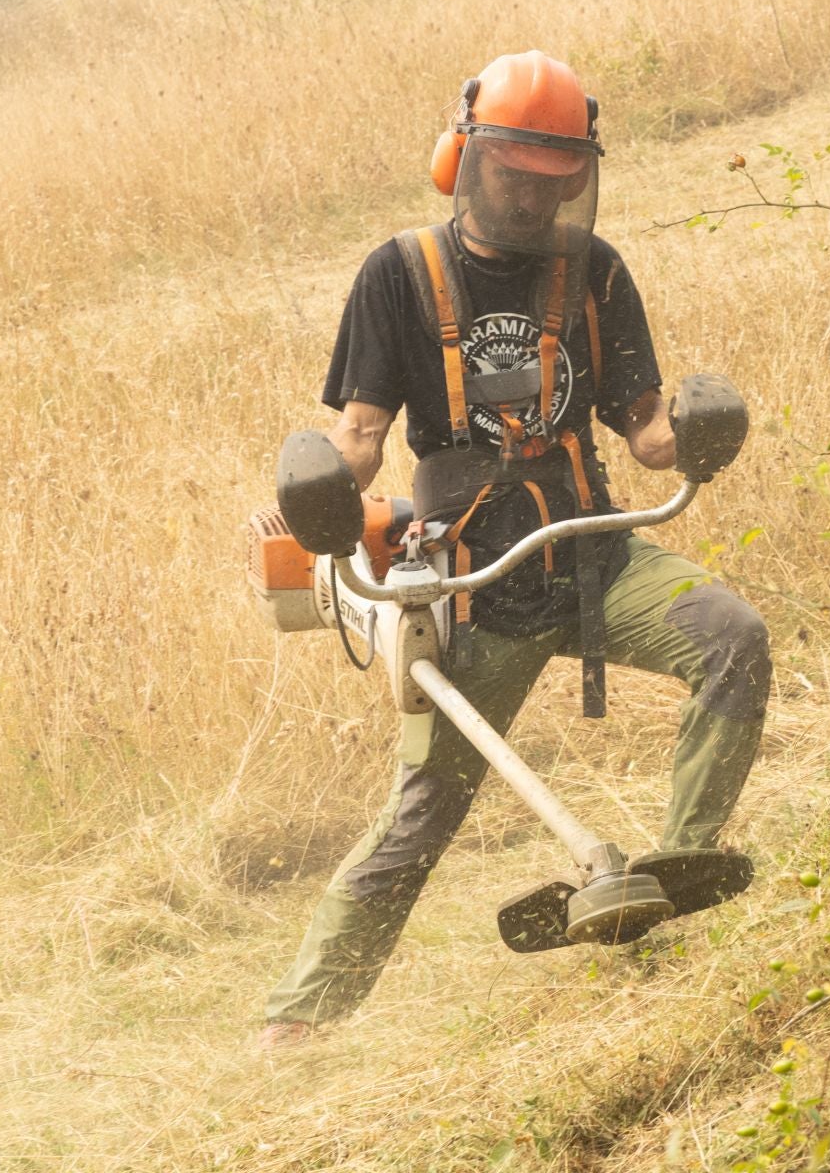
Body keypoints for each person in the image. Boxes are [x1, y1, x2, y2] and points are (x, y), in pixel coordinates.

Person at [258, 51, 770, 1046]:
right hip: (477, 585)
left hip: (595, 556)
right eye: (513, 175)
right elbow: (362, 437)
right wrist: (319, 496)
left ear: (577, 174)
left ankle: (684, 865)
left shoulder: (597, 270)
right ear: (466, 156)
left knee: (732, 636)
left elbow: (649, 429)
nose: (533, 199)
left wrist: (704, 432)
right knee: (422, 815)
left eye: (555, 180)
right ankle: (299, 1020)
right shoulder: (398, 275)